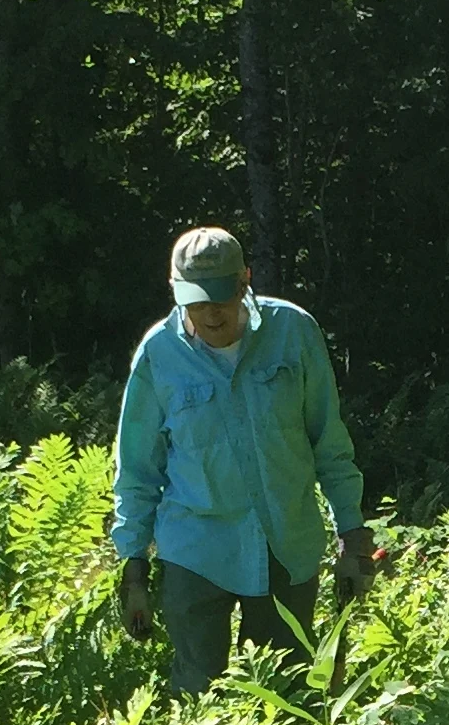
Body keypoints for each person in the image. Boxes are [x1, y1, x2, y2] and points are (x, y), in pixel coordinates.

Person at [112, 225, 378, 696]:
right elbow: (137, 468)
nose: (210, 314)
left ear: (244, 282)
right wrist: (134, 568)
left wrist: (352, 536)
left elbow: (329, 442)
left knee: (287, 692)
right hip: (194, 550)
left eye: (220, 297)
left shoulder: (293, 333)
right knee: (196, 692)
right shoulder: (159, 355)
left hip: (286, 546)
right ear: (175, 292)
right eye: (195, 300)